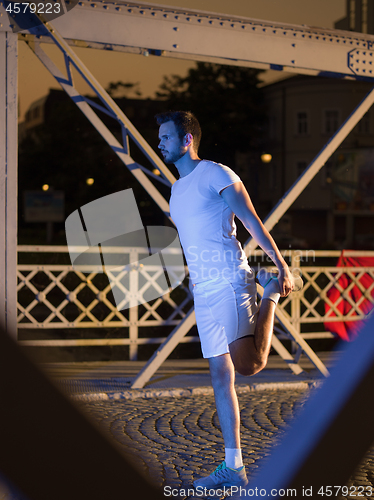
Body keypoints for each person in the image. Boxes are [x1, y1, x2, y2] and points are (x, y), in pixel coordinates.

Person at [155, 111, 300, 491]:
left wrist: (280, 266)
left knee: (249, 365)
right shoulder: (176, 189)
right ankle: (233, 468)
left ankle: (268, 295)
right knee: (221, 377)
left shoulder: (217, 173)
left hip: (230, 281)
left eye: (166, 138)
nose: (160, 144)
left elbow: (250, 219)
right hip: (203, 289)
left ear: (187, 139)